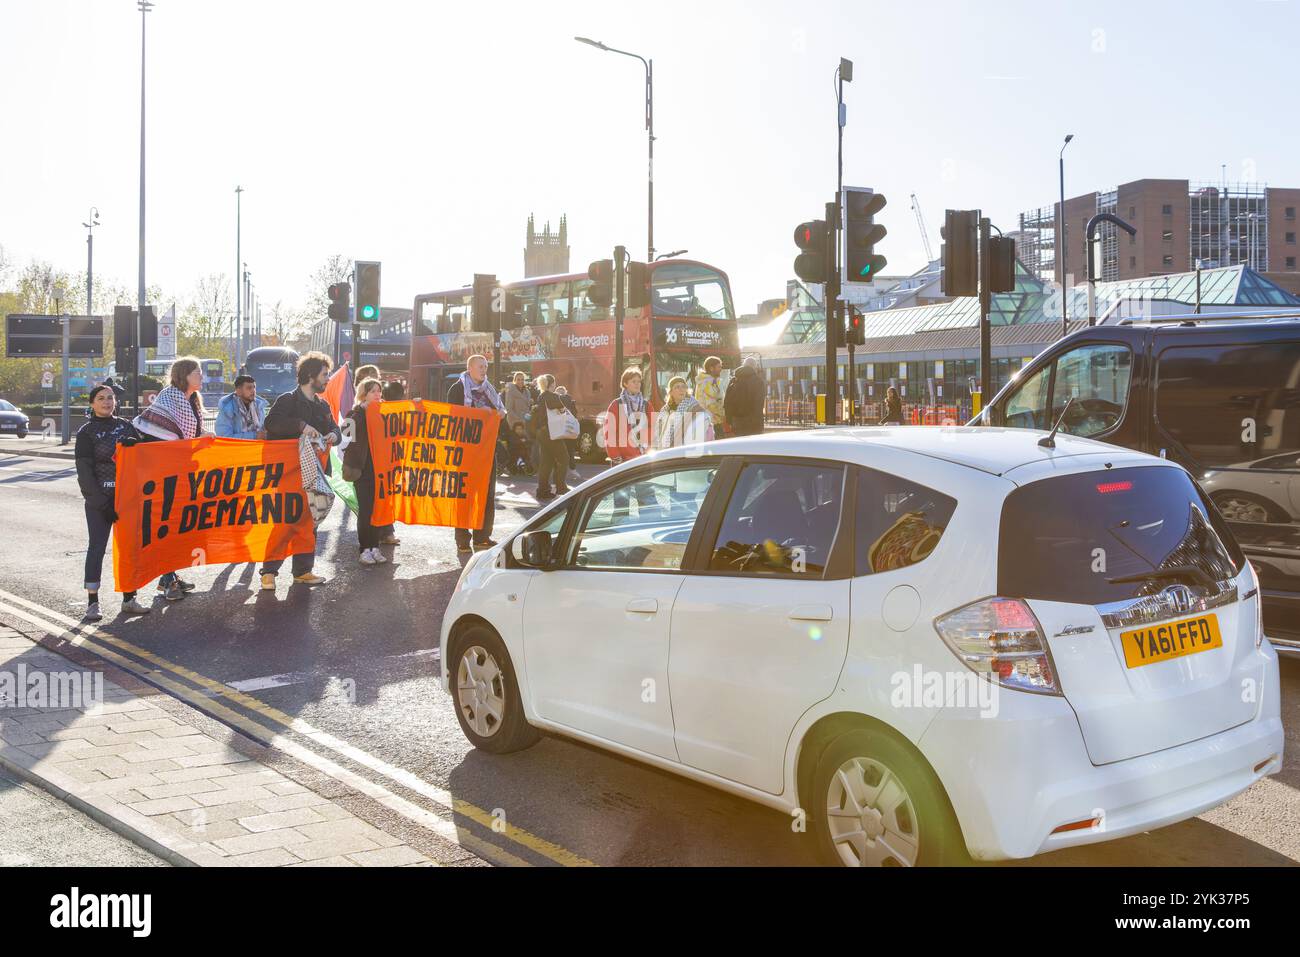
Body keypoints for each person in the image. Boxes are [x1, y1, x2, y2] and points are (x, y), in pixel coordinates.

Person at [260, 351, 341, 588]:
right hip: (287, 476)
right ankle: (269, 572)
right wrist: (301, 426)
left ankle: (303, 571)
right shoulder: (287, 401)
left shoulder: (322, 404)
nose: (328, 379)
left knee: (309, 523)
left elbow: (334, 429)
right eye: (325, 375)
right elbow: (271, 423)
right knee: (284, 522)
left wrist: (333, 435)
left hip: (315, 475)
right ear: (309, 376)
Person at [132, 356, 206, 601]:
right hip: (161, 473)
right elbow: (164, 434)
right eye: (198, 372)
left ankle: (171, 576)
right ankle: (166, 580)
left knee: (177, 527)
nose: (202, 376)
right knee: (164, 526)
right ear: (184, 375)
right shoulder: (170, 397)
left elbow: (191, 435)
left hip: (180, 470)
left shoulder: (192, 401)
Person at [76, 385, 150, 620]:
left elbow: (148, 458)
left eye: (110, 398)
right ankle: (92, 602)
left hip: (127, 499)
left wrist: (136, 446)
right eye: (101, 398)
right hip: (100, 502)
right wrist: (101, 504)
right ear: (92, 404)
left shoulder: (126, 426)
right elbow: (84, 474)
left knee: (129, 548)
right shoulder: (86, 433)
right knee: (97, 547)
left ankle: (129, 598)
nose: (107, 402)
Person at [447, 355, 507, 552]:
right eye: (480, 366)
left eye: (486, 366)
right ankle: (462, 538)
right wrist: (481, 414)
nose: (484, 370)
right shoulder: (457, 389)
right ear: (470, 368)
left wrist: (497, 416)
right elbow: (455, 418)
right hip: (466, 451)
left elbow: (500, 418)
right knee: (465, 495)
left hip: (487, 450)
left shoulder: (490, 390)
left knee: (487, 495)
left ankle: (482, 536)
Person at [344, 377, 387, 566]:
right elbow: (346, 433)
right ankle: (365, 549)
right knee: (366, 511)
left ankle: (375, 547)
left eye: (379, 391)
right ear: (364, 394)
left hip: (382, 471)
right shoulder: (354, 413)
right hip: (362, 470)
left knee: (379, 510)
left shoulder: (386, 412)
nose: (377, 394)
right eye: (373, 391)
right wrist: (362, 411)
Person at [529, 373, 570, 501]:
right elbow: (563, 407)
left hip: (542, 432)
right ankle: (561, 486)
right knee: (564, 458)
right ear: (552, 384)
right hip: (551, 432)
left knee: (546, 462)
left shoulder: (541, 396)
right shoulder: (552, 396)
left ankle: (543, 490)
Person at [603, 367, 654, 464]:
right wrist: (615, 456)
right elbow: (609, 432)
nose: (637, 384)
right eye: (633, 381)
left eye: (639, 381)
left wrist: (648, 449)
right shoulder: (616, 405)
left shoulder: (646, 405)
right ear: (625, 384)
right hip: (622, 460)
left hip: (643, 458)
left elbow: (653, 428)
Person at [653, 376, 714, 450]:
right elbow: (658, 432)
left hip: (686, 452)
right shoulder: (665, 410)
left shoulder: (694, 408)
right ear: (671, 392)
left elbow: (704, 427)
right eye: (677, 387)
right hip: (666, 452)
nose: (681, 389)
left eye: (683, 387)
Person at [214, 374, 269, 440]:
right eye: (249, 388)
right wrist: (254, 436)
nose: (253, 390)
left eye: (254, 387)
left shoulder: (259, 406)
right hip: (237, 450)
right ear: (238, 391)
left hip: (256, 449)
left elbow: (263, 431)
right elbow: (223, 437)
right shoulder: (227, 409)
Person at [724, 357, 766, 437]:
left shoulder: (733, 380)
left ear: (743, 365)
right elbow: (759, 403)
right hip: (753, 423)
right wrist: (758, 422)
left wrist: (729, 420)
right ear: (754, 367)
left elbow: (727, 401)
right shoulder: (758, 381)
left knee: (740, 446)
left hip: (736, 421)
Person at [695, 356, 727, 437]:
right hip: (711, 422)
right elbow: (712, 404)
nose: (721, 369)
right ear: (711, 368)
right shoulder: (707, 383)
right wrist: (723, 414)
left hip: (712, 421)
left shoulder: (712, 381)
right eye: (719, 367)